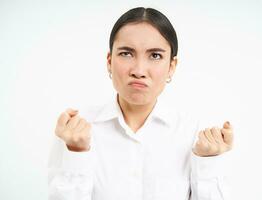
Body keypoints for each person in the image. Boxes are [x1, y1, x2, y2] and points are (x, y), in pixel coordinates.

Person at [48, 7, 234, 200]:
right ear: (109, 61)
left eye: (155, 56)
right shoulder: (76, 132)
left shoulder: (193, 132)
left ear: (172, 67)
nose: (139, 70)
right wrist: (77, 153)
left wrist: (208, 162)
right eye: (127, 53)